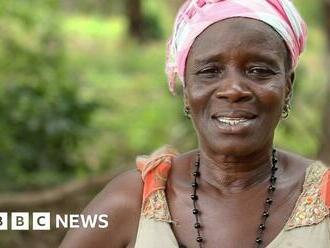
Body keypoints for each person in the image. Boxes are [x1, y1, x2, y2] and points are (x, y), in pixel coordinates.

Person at [60, 0, 330, 247]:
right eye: (210, 72)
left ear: (287, 87)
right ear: (187, 91)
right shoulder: (131, 202)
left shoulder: (324, 201)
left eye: (259, 71)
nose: (234, 89)